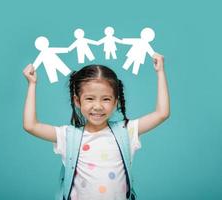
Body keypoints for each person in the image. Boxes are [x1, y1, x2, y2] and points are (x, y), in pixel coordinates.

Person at [22, 53, 170, 200]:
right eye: (90, 99)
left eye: (106, 99)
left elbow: (162, 113)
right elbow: (31, 126)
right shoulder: (68, 136)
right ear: (77, 101)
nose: (98, 106)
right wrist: (32, 84)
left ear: (115, 102)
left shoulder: (126, 131)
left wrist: (160, 72)